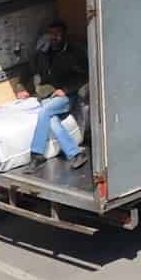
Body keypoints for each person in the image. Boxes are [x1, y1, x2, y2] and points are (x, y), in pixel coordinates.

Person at [30, 21, 89, 169]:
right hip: (50, 96)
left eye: (57, 34)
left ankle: (37, 154)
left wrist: (66, 89)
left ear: (64, 35)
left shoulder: (73, 52)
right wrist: (21, 87)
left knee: (44, 112)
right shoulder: (46, 52)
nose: (54, 37)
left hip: (67, 96)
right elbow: (31, 68)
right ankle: (76, 154)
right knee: (52, 121)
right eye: (51, 34)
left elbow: (85, 75)